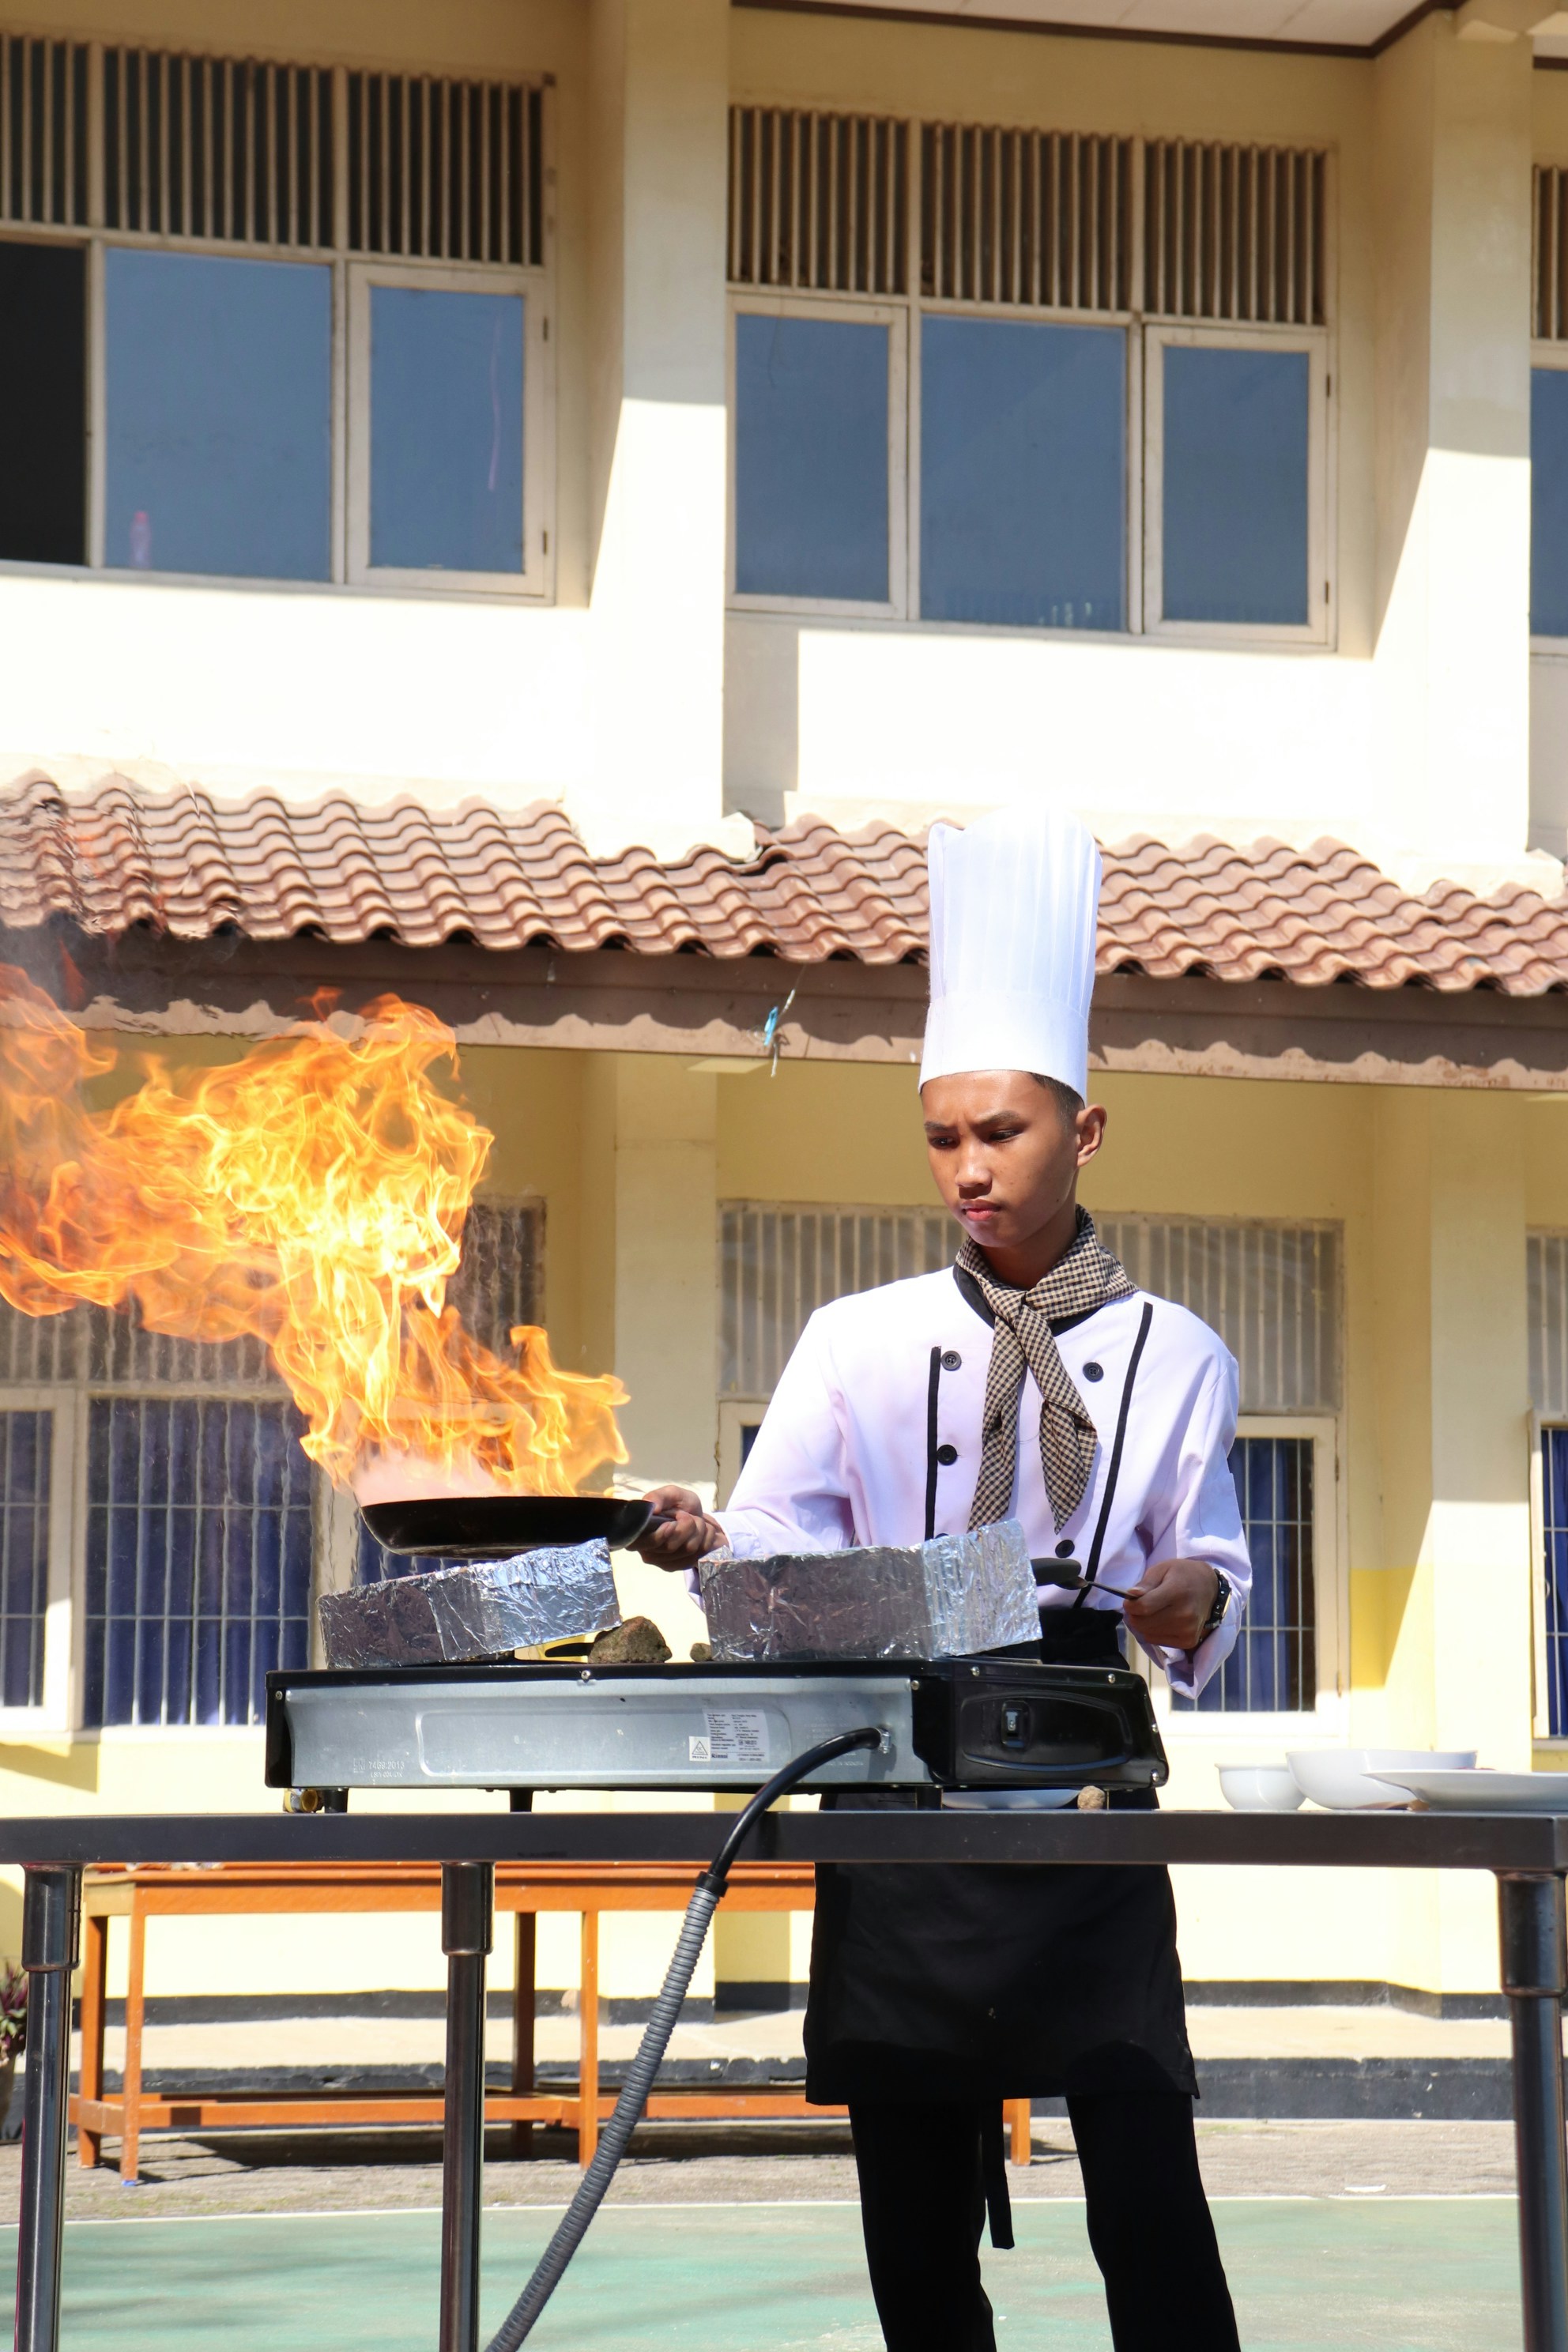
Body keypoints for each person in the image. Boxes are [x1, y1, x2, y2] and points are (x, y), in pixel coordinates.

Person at [635, 802, 1250, 2352]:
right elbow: (773, 1551)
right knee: (912, 2225)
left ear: (1084, 1133)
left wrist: (1193, 1600)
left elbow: (1211, 1566)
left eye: (1001, 1133)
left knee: (1145, 2196)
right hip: (900, 1784)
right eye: (941, 1137)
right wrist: (714, 1548)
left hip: (1088, 1785)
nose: (966, 1170)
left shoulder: (1180, 1355)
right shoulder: (850, 1336)